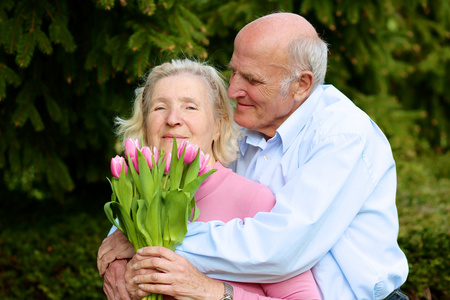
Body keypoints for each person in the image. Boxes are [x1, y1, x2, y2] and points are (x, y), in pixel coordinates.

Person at [98, 12, 409, 300]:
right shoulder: (249, 121)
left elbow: (280, 248)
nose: (233, 91)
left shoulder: (342, 136)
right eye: (234, 72)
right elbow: (168, 180)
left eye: (252, 80)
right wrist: (121, 247)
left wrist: (153, 242)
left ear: (301, 85)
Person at [101, 58, 321, 300]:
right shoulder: (131, 200)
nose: (173, 119)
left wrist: (212, 292)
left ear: (218, 125)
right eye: (159, 107)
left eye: (190, 107)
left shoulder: (252, 200)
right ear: (144, 126)